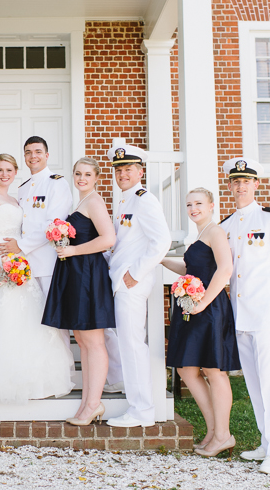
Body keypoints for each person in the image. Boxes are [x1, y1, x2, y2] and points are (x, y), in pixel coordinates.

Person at [0, 154, 74, 403]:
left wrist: (17, 260)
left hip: (18, 260)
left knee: (28, 318)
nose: (5, 174)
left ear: (16, 172)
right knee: (0, 315)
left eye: (9, 170)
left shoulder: (16, 199)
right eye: (0, 169)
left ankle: (32, 379)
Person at [219, 157, 270, 475]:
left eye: (246, 181)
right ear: (229, 186)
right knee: (253, 383)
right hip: (241, 316)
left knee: (269, 382)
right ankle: (267, 443)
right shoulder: (225, 225)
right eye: (235, 182)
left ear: (256, 184)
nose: (240, 186)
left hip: (266, 315)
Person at [161, 187, 240, 457]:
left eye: (198, 203)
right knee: (186, 368)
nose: (193, 208)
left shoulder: (216, 232)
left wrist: (203, 302)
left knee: (213, 371)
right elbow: (190, 269)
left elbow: (225, 269)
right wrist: (160, 260)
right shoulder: (200, 235)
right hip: (190, 307)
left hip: (209, 308)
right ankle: (213, 431)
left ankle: (223, 435)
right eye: (189, 204)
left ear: (211, 206)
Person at [41, 157, 116, 425]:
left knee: (93, 342)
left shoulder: (94, 201)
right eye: (78, 173)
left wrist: (72, 249)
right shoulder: (81, 202)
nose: (82, 178)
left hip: (88, 274)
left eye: (87, 174)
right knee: (83, 342)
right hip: (76, 274)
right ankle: (87, 402)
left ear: (96, 178)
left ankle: (94, 404)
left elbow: (108, 239)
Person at [103, 145, 171, 428]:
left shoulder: (144, 200)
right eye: (119, 170)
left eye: (128, 169)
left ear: (140, 172)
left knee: (133, 345)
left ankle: (142, 410)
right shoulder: (124, 202)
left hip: (132, 282)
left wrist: (136, 273)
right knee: (127, 343)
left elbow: (162, 241)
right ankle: (137, 405)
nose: (123, 174)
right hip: (120, 279)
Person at [0, 136, 73, 298]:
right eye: (28, 153)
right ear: (24, 157)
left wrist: (21, 245)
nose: (33, 156)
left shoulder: (57, 183)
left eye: (38, 152)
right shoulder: (23, 188)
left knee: (47, 314)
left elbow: (53, 224)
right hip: (23, 263)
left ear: (47, 155)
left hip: (47, 263)